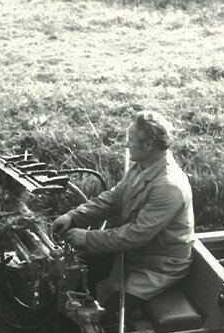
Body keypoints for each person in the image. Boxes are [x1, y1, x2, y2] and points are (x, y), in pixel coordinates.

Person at [51, 110, 195, 318]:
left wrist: (88, 237)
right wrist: (73, 216)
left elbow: (135, 235)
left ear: (148, 145)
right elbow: (114, 198)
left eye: (130, 140)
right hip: (137, 254)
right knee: (78, 265)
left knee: (108, 313)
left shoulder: (168, 186)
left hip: (158, 267)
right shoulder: (143, 167)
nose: (126, 146)